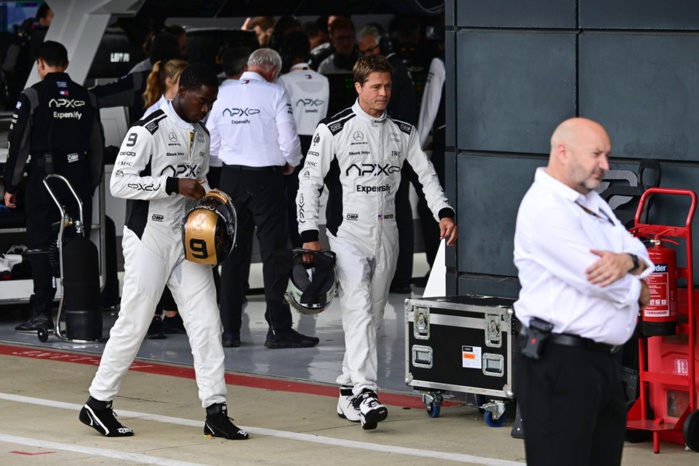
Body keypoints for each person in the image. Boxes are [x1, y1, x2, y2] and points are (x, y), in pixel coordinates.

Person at [79, 63, 248, 441]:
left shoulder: (201, 134)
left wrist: (211, 197)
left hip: (188, 240)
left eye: (211, 103)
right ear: (181, 92)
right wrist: (171, 183)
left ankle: (216, 411)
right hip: (148, 236)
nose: (206, 109)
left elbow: (199, 181)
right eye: (202, 101)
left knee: (207, 323)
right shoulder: (148, 128)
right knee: (134, 322)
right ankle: (97, 403)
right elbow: (120, 183)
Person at [297, 54, 457, 430]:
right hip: (347, 234)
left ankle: (347, 393)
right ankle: (367, 392)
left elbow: (426, 176)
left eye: (388, 86)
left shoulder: (404, 131)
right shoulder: (333, 129)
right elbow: (308, 181)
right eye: (375, 87)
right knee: (358, 308)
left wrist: (443, 212)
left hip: (388, 235)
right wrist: (309, 234)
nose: (383, 93)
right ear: (358, 87)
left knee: (373, 318)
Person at [513, 117, 652, 465]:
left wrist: (628, 261)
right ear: (563, 151)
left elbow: (639, 250)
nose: (605, 165)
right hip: (561, 362)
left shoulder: (591, 201)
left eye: (606, 155)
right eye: (596, 154)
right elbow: (597, 280)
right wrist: (639, 288)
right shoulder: (546, 208)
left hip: (601, 363)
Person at [206, 48, 318, 350]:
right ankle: (278, 328)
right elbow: (289, 138)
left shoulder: (224, 92)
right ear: (272, 71)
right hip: (266, 178)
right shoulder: (275, 92)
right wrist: (291, 162)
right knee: (274, 254)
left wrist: (230, 158)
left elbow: (211, 140)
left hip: (230, 178)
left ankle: (229, 331)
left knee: (232, 254)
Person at [4, 40, 103, 332]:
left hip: (44, 178)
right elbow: (96, 145)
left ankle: (42, 311)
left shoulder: (32, 95)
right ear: (67, 64)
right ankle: (76, 310)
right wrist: (90, 184)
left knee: (39, 244)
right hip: (78, 179)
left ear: (40, 64)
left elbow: (18, 144)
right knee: (73, 241)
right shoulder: (87, 96)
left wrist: (10, 185)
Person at [356, 24, 418, 293]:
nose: (382, 92)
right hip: (393, 146)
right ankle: (396, 275)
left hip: (396, 147)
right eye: (365, 52)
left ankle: (400, 276)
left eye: (372, 50)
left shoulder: (394, 72)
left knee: (397, 211)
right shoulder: (395, 71)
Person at [139, 57, 189, 338]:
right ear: (170, 81)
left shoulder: (188, 114)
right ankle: (154, 316)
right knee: (154, 262)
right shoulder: (152, 115)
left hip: (180, 199)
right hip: (157, 195)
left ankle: (171, 314)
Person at [276, 31, 329, 248]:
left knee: (293, 205)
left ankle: (300, 255)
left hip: (292, 147)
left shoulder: (283, 80)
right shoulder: (323, 80)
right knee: (312, 201)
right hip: (319, 145)